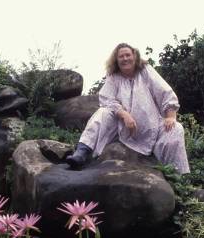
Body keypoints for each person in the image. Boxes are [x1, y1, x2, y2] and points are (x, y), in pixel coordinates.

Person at [66, 43, 190, 174]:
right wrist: (124, 114)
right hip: (123, 128)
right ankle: (81, 153)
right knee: (102, 113)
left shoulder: (145, 70)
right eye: (121, 56)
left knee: (176, 129)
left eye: (127, 55)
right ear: (116, 60)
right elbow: (107, 99)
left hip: (152, 127)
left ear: (134, 56)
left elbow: (164, 91)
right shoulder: (114, 77)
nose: (125, 59)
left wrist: (170, 116)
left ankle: (178, 175)